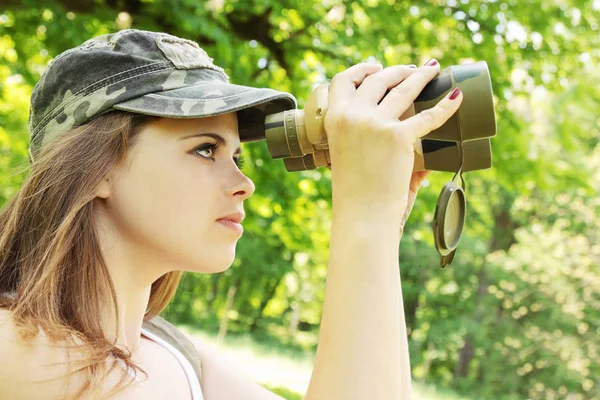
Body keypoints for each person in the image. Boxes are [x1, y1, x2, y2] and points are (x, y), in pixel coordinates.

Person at [0, 29, 462, 399]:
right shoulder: (16, 350)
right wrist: (365, 216)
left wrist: (384, 220)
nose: (244, 183)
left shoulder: (172, 353)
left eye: (236, 156)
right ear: (96, 169)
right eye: (205, 149)